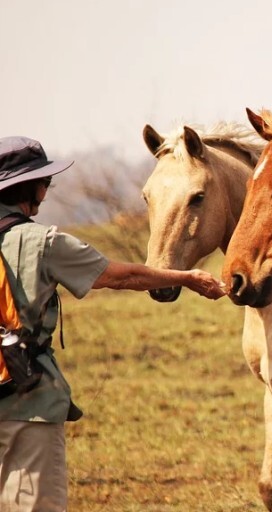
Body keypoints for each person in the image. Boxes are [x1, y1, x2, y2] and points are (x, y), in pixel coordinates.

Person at [0, 136, 225, 511]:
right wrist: (186, 277)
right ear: (31, 188)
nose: (47, 189)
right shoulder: (44, 243)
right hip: (28, 403)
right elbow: (122, 276)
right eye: (46, 181)